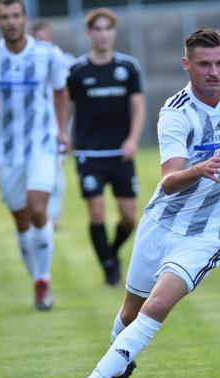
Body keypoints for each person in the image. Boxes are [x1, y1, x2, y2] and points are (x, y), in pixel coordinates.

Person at [64, 28, 220, 378]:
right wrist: (200, 168)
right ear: (187, 64)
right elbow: (169, 181)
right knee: (129, 313)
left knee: (157, 306)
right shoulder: (175, 112)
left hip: (207, 234)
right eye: (204, 64)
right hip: (162, 222)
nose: (214, 71)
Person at [0, 0, 70, 310]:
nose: (11, 22)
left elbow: (60, 91)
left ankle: (42, 279)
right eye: (4, 17)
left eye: (15, 16)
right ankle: (39, 279)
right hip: (6, 152)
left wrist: (62, 130)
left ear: (25, 18)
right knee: (21, 220)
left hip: (42, 145)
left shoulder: (47, 54)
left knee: (39, 209)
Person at [66, 8, 145, 286]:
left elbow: (138, 107)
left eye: (107, 29)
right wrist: (63, 136)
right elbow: (64, 105)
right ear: (89, 33)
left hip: (120, 154)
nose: (102, 34)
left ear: (113, 32)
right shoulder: (76, 70)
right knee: (97, 212)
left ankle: (110, 253)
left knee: (128, 218)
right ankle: (109, 269)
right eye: (97, 29)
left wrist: (133, 139)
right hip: (90, 153)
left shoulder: (128, 67)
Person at [30, 19, 74, 231]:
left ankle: (52, 216)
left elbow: (68, 95)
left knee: (55, 170)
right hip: (32, 129)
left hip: (56, 126)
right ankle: (37, 213)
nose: (41, 42)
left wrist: (65, 126)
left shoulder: (62, 61)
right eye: (37, 38)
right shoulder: (27, 62)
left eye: (44, 38)